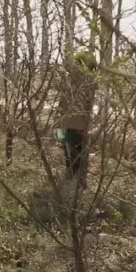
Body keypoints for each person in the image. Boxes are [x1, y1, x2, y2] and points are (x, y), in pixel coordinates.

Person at [56, 51, 98, 188]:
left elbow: (61, 104)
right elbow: (87, 106)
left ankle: (72, 184)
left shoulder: (69, 79)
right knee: (79, 157)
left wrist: (57, 130)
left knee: (71, 156)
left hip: (67, 124)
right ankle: (78, 186)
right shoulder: (87, 80)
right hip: (77, 125)